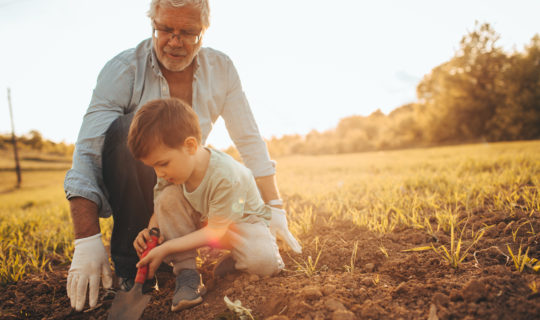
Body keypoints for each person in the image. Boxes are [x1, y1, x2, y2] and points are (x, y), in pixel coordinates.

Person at [64, 0, 301, 312]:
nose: (174, 42)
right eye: (165, 29)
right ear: (153, 25)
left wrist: (275, 206)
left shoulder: (221, 69)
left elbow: (248, 137)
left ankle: (190, 252)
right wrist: (87, 238)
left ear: (203, 33)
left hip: (198, 182)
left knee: (261, 259)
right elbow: (88, 149)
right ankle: (135, 268)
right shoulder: (123, 70)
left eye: (187, 32)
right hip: (165, 177)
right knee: (127, 132)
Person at [129, 98, 284, 311]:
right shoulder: (171, 171)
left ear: (190, 146)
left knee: (264, 264)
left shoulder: (225, 176)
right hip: (210, 222)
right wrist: (151, 232)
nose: (159, 173)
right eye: (153, 167)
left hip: (243, 222)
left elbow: (215, 232)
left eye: (162, 164)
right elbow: (161, 207)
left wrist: (165, 249)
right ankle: (187, 274)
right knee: (167, 196)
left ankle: (240, 258)